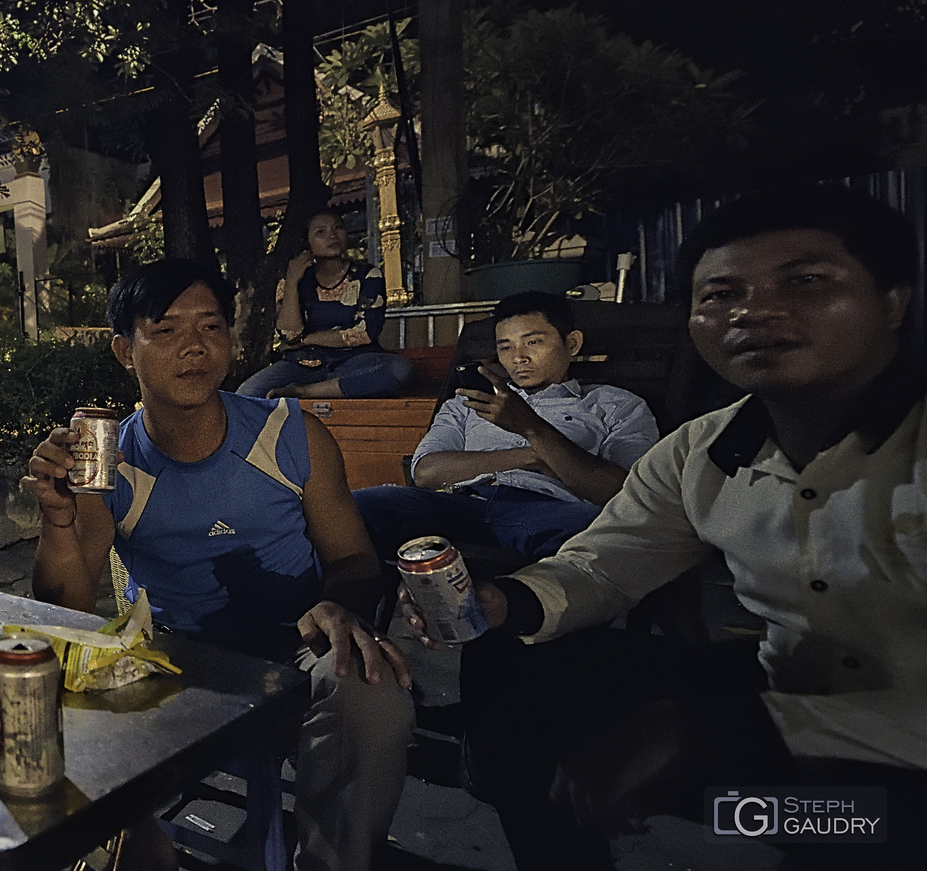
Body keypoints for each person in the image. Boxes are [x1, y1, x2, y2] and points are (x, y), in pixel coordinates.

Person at [404, 185, 926, 870]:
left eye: (806, 281)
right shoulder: (703, 451)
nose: (755, 311)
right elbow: (607, 560)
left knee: (860, 824)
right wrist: (507, 601)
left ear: (893, 300)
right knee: (512, 660)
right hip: (784, 698)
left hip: (892, 761)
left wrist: (720, 727)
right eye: (719, 295)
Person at [25, 258, 415, 871]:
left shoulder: (291, 434)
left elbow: (353, 559)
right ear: (125, 351)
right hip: (177, 657)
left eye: (210, 326)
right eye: (167, 330)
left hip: (296, 644)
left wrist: (340, 603)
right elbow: (65, 607)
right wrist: (57, 519)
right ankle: (139, 845)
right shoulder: (112, 465)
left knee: (372, 690)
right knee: (41, 689)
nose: (194, 347)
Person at [352, 291, 659, 562]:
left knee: (598, 535)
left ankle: (529, 613)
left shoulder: (616, 405)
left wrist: (531, 427)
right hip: (462, 504)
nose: (519, 358)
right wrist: (533, 457)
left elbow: (623, 493)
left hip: (550, 509)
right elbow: (426, 472)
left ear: (572, 343)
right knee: (358, 507)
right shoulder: (469, 402)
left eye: (534, 341)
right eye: (506, 347)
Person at [237, 211, 414, 399]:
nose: (332, 235)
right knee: (247, 392)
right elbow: (289, 334)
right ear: (307, 243)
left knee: (400, 369)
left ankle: (304, 391)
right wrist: (292, 281)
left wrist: (303, 340)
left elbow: (364, 332)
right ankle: (326, 387)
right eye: (320, 232)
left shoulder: (368, 275)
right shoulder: (292, 281)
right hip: (303, 364)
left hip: (355, 361)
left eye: (338, 227)